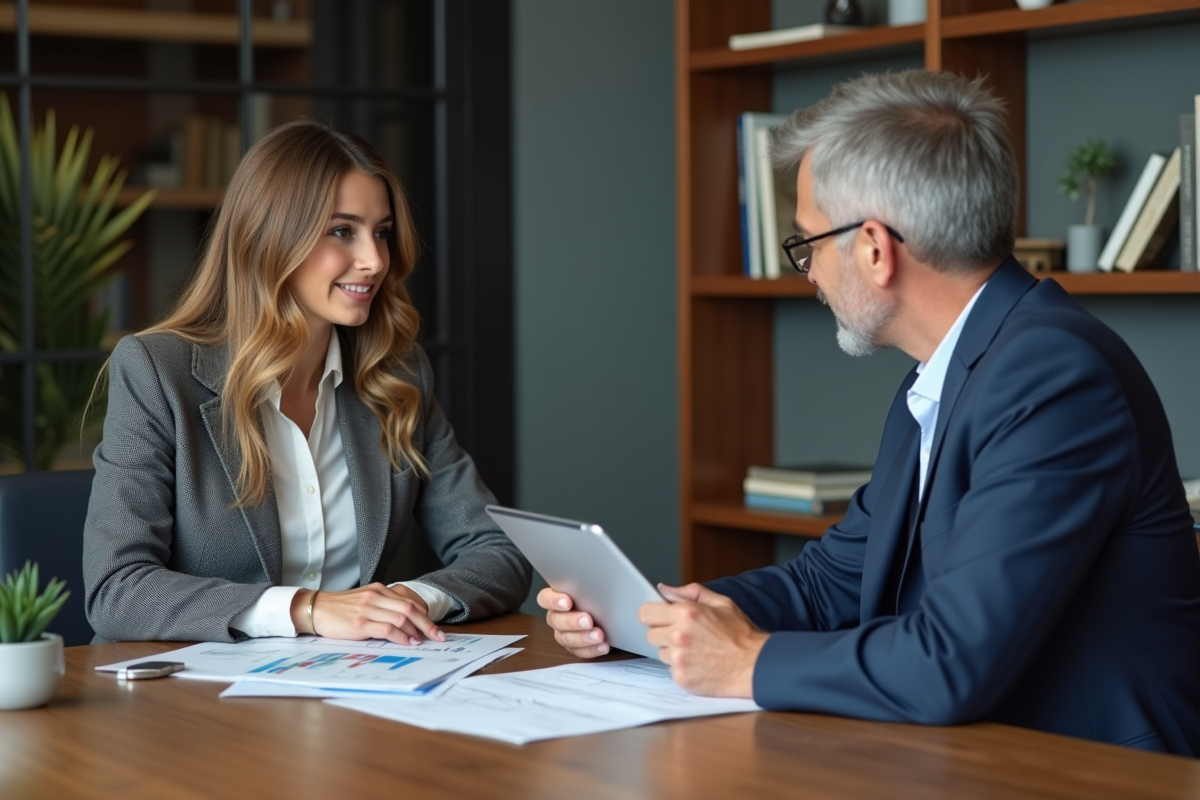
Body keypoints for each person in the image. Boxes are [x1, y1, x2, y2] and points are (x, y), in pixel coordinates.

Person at [540, 69, 1200, 755]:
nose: (810, 275)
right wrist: (660, 619)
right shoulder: (945, 375)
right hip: (977, 756)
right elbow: (831, 582)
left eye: (808, 246)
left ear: (875, 249)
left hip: (1094, 772)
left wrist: (747, 663)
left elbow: (952, 661)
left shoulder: (1056, 379)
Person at [84, 120, 531, 645]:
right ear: (270, 237)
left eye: (381, 232)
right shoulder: (158, 372)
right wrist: (309, 610)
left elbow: (498, 552)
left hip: (347, 691)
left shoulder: (395, 375)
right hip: (189, 706)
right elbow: (116, 590)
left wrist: (402, 603)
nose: (375, 260)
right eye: (342, 231)